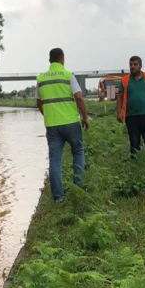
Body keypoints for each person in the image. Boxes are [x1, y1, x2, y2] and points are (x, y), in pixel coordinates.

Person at [36, 48, 90, 202]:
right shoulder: (68, 75)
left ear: (49, 60)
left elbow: (38, 103)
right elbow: (79, 98)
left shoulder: (41, 79)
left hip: (52, 126)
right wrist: (85, 117)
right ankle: (78, 188)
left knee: (55, 161)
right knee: (78, 152)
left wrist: (49, 115)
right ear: (62, 59)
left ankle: (59, 197)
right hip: (71, 123)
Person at [115, 55, 145, 154]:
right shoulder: (124, 80)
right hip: (131, 117)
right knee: (134, 144)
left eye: (135, 64)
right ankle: (135, 166)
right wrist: (119, 113)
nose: (132, 66)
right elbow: (119, 97)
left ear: (140, 66)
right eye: (131, 64)